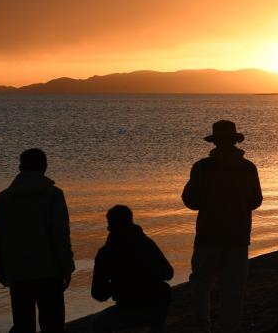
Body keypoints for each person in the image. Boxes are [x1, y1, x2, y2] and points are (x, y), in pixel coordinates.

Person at [182, 120, 263, 333]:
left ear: (215, 142)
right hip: (238, 236)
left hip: (209, 235)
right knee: (233, 287)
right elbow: (256, 200)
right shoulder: (248, 168)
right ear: (235, 141)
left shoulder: (202, 167)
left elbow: (190, 200)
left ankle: (203, 327)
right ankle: (229, 328)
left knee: (201, 284)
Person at [0, 148, 75, 333]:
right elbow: (60, 236)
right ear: (45, 167)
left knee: (23, 326)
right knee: (53, 326)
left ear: (20, 168)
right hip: (49, 273)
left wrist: (0, 269)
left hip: (18, 273)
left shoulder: (4, 198)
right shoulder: (54, 195)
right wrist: (67, 267)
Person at [91, 205, 174, 333]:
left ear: (111, 226)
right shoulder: (147, 243)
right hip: (160, 304)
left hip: (131, 308)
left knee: (97, 324)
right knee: (158, 314)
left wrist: (116, 286)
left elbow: (99, 294)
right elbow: (168, 273)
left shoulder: (105, 253)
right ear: (131, 221)